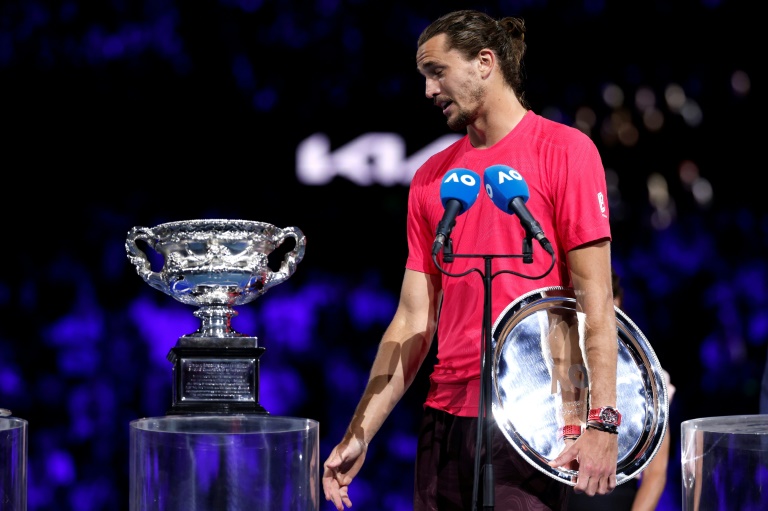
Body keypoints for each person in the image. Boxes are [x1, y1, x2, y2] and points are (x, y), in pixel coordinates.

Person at [322, 9, 619, 511]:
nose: (429, 90)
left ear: (486, 62)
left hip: (536, 417)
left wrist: (602, 421)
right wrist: (360, 431)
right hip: (445, 422)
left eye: (437, 71)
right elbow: (413, 319)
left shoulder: (566, 151)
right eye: (424, 77)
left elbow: (595, 301)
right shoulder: (430, 179)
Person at [567, 270, 676, 511]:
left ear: (618, 304)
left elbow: (656, 474)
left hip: (617, 498)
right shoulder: (554, 370)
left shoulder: (649, 379)